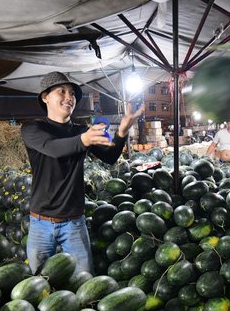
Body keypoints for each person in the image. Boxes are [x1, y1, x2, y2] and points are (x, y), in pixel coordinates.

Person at [22, 72, 142, 274]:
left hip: (74, 223)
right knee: (39, 282)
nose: (69, 97)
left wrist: (121, 133)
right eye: (62, 91)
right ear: (45, 97)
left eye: (72, 94)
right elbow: (53, 148)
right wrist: (84, 140)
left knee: (85, 281)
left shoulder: (81, 131)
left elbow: (110, 157)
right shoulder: (33, 129)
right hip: (40, 223)